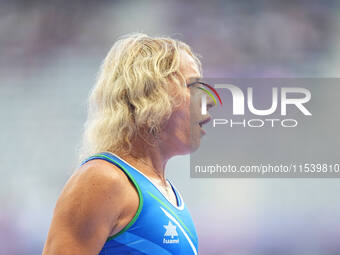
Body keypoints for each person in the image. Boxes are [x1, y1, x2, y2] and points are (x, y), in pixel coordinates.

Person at [42, 33, 214, 255]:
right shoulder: (103, 180)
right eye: (193, 86)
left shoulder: (169, 196)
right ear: (149, 94)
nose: (208, 101)